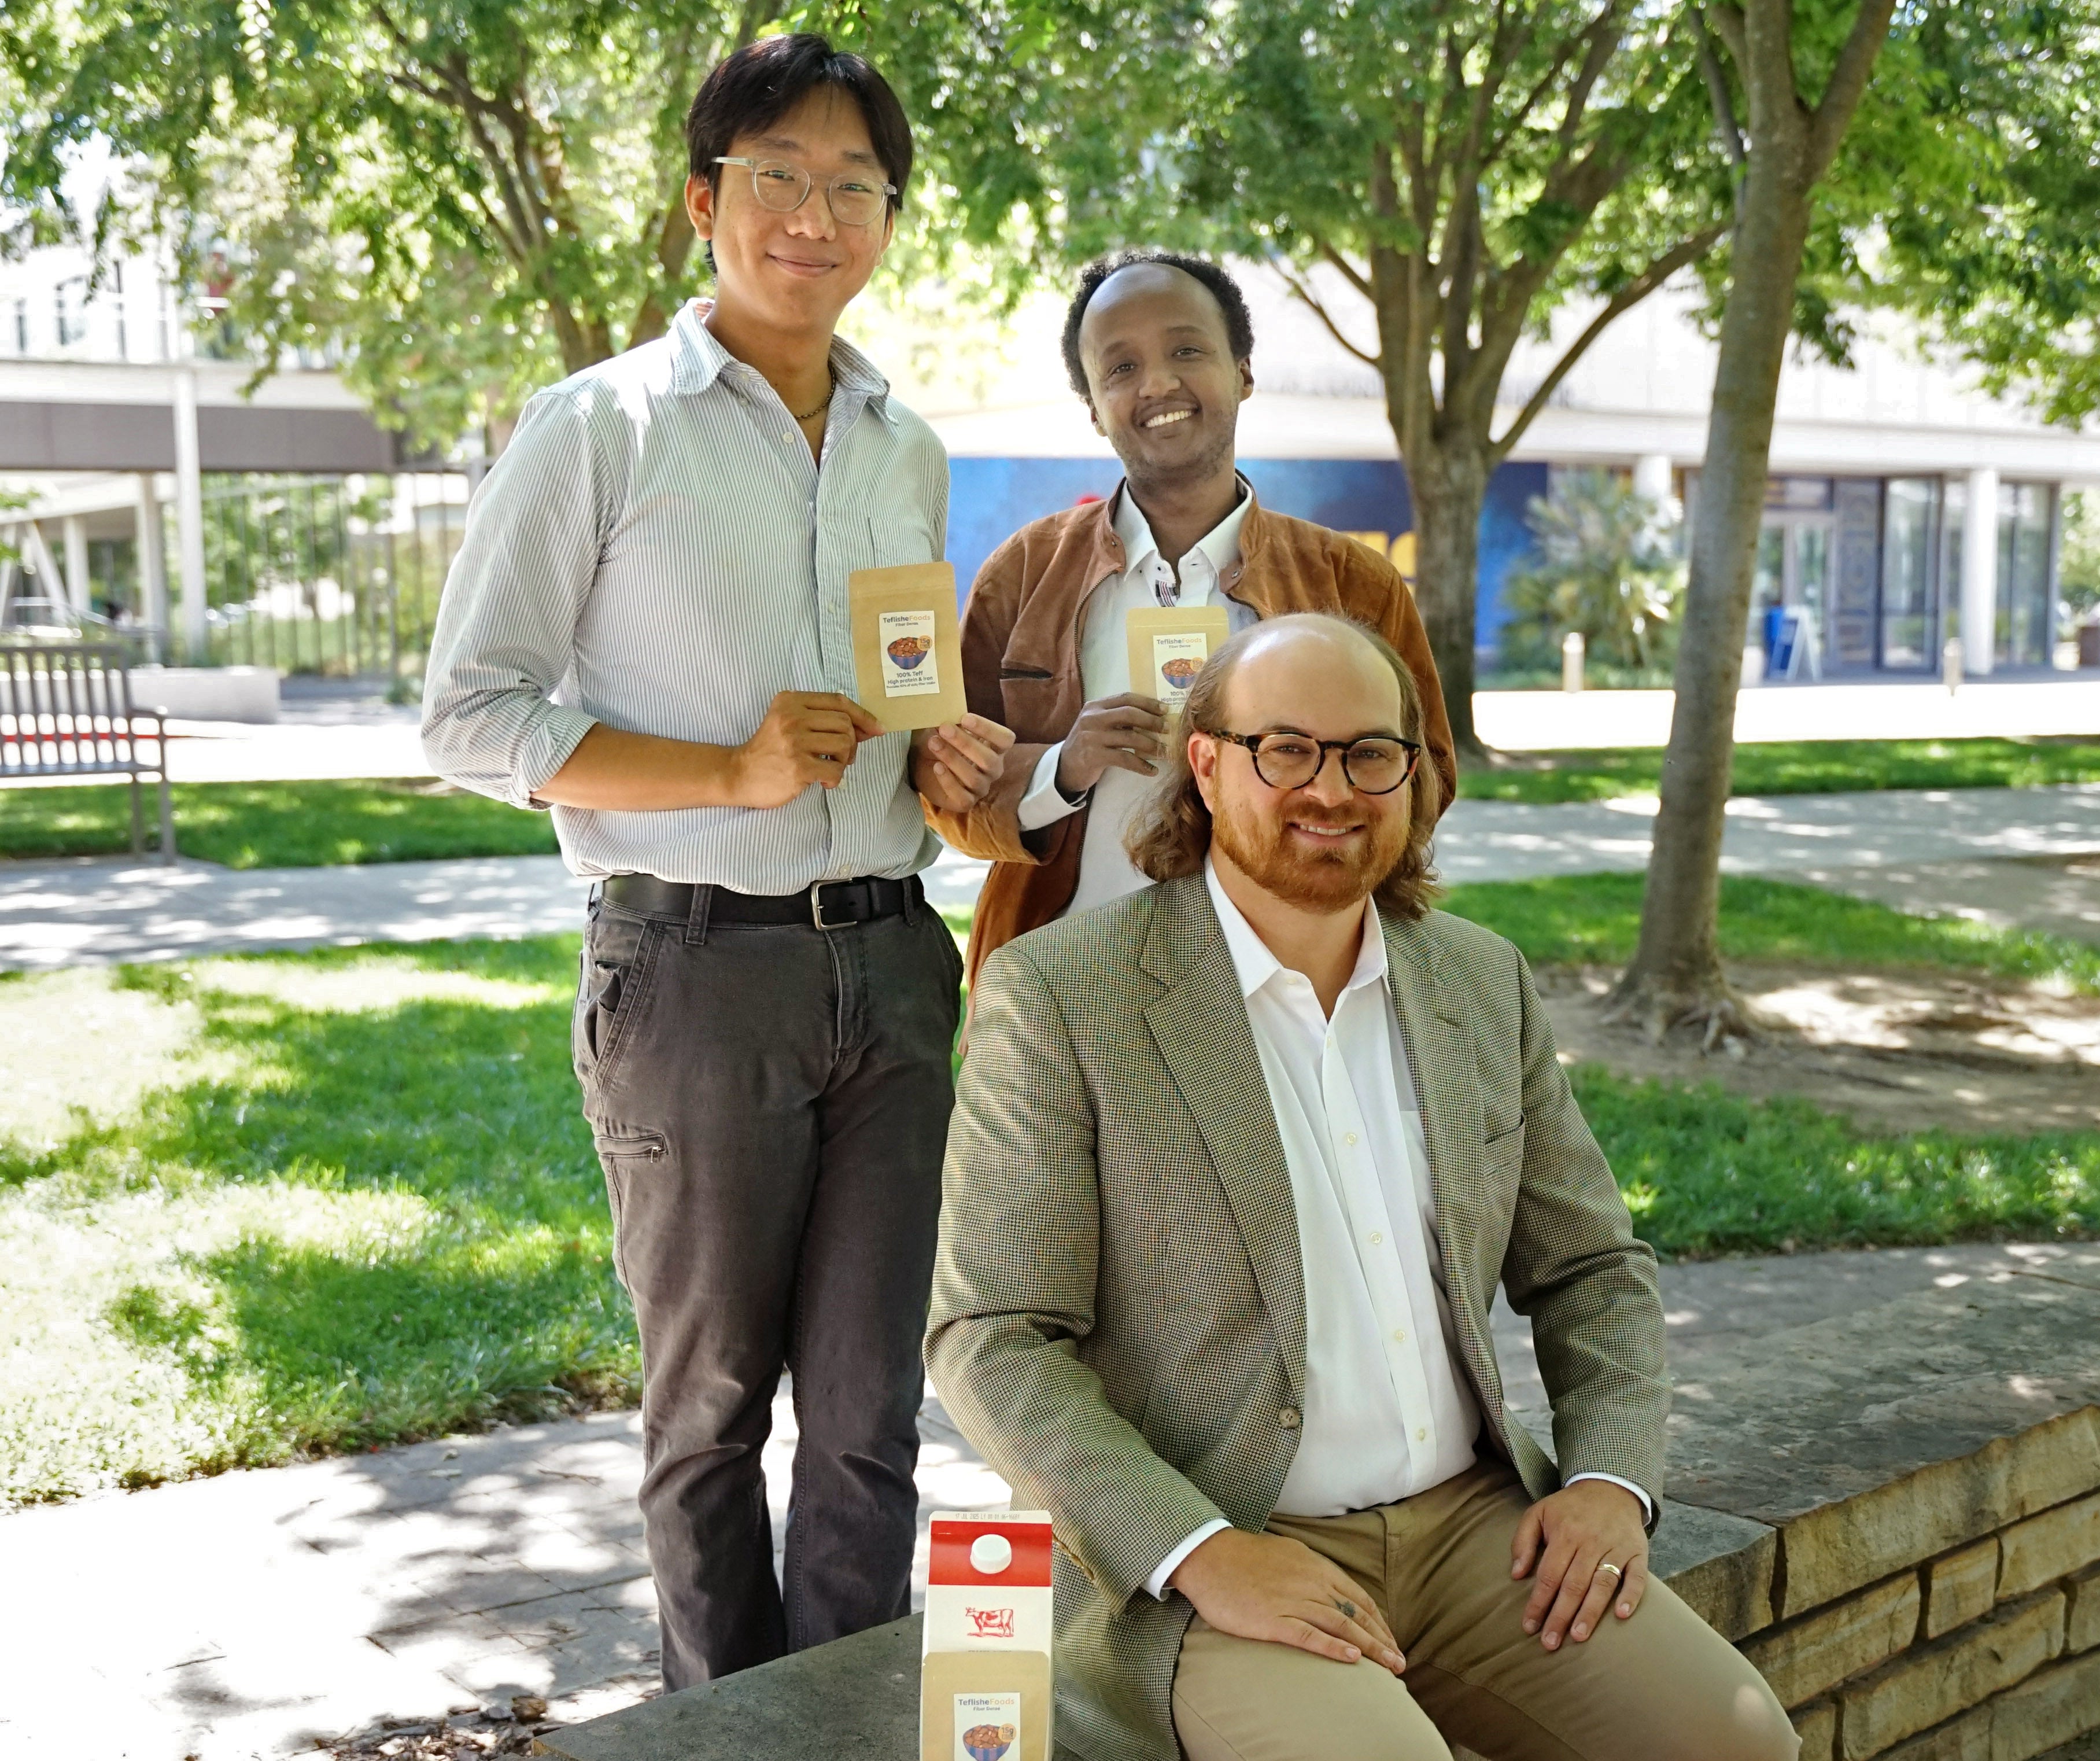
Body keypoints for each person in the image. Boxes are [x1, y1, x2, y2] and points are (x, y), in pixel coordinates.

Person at [928, 614, 1798, 1761]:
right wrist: (1198, 1551)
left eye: (1366, 753)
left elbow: (1590, 1268)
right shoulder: (1064, 996)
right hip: (1223, 1539)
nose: (1329, 788)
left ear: (1410, 770)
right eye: (1282, 748)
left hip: (1477, 1528)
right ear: (1204, 761)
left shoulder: (1480, 980)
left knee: (1735, 1742)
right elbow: (992, 1337)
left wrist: (1605, 1479)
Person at [420, 35, 1012, 1690]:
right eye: (778, 177)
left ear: (889, 218)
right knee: (706, 1415)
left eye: (854, 187)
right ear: (704, 200)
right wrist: (730, 769)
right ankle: (722, 1731)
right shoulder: (600, 425)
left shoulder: (906, 443)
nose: (815, 215)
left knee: (873, 1417)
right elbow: (468, 715)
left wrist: (942, 747)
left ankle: (840, 1719)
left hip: (894, 963)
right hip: (691, 970)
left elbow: (893, 689)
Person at [928, 250, 1455, 981]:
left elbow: (1426, 779)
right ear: (1092, 406)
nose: (1158, 383)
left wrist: (1300, 771)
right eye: (1120, 368)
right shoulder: (1022, 574)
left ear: (1242, 370)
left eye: (1186, 349)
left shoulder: (1349, 583)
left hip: (1284, 985)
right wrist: (1060, 767)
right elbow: (950, 788)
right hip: (1066, 986)